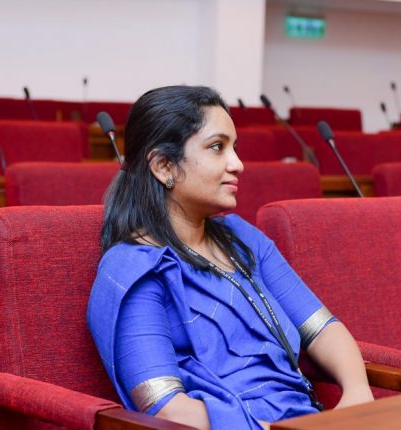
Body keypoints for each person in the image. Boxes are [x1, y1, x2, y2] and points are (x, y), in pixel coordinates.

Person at [87, 85, 373, 430]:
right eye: (217, 147)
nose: (237, 164)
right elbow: (166, 410)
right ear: (164, 166)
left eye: (234, 148)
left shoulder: (242, 239)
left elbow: (322, 329)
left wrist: (357, 395)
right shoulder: (135, 268)